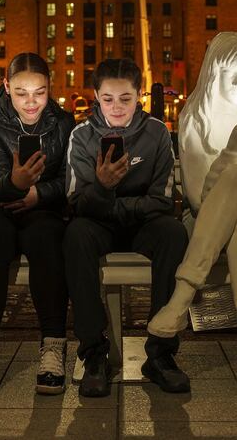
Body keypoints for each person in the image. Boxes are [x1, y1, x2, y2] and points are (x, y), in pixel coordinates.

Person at [147, 32, 237, 396]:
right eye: (230, 75)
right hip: (220, 224)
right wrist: (232, 149)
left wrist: (232, 157)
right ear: (212, 74)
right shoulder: (195, 118)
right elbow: (197, 201)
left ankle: (182, 295)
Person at [64, 58, 190, 397]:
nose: (117, 107)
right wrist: (103, 186)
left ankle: (161, 353)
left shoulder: (156, 133)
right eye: (108, 99)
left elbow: (163, 200)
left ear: (140, 97)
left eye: (126, 98)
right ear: (96, 96)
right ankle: (93, 353)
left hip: (142, 224)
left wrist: (109, 201)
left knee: (173, 233)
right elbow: (76, 202)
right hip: (98, 225)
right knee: (75, 235)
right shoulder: (83, 136)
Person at [0, 53, 75, 397]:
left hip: (42, 208)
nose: (31, 102)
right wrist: (15, 181)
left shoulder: (63, 122)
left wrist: (39, 193)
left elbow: (70, 180)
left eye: (39, 92)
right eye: (22, 92)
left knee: (47, 236)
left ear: (49, 88)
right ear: (7, 86)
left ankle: (53, 348)